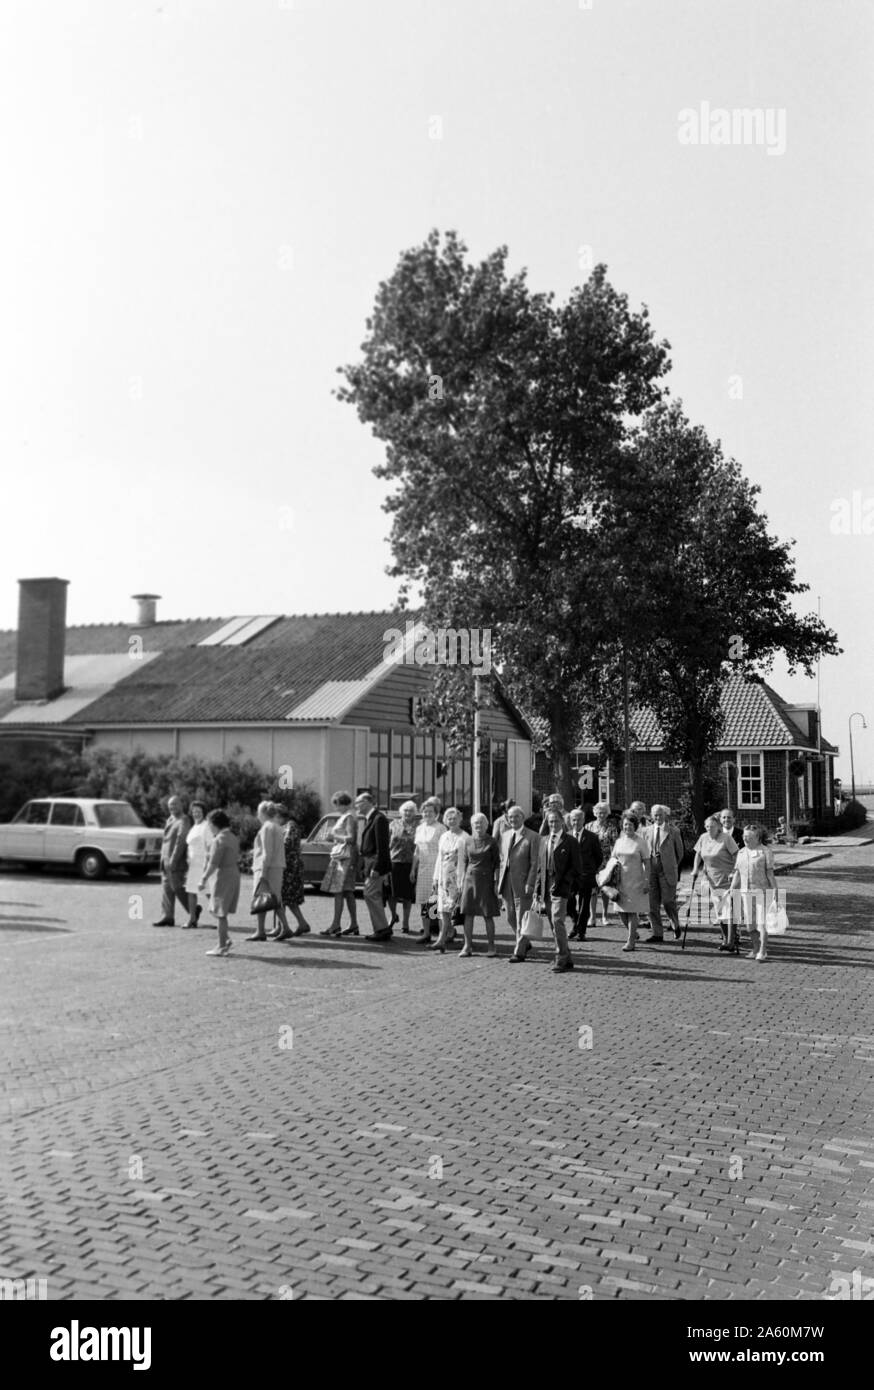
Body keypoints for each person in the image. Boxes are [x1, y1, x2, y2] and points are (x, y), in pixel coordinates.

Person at [510, 808, 583, 973]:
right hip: (545, 886)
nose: (553, 824)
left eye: (556, 821)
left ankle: (561, 958)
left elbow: (577, 868)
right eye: (550, 821)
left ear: (562, 822)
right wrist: (537, 889)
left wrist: (567, 884)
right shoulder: (543, 841)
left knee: (558, 921)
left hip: (561, 887)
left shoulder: (570, 841)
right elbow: (539, 867)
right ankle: (567, 956)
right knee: (553, 923)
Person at [727, 823, 777, 961]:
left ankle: (763, 950)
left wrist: (775, 892)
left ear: (757, 837)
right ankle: (755, 948)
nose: (745, 839)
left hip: (762, 892)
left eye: (749, 837)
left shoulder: (765, 852)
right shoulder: (742, 852)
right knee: (750, 924)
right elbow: (737, 873)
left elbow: (770, 873)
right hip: (746, 893)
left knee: (762, 923)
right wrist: (732, 889)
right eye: (744, 836)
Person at [689, 814, 739, 947]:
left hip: (727, 879)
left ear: (718, 827)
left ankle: (731, 941)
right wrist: (695, 869)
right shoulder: (703, 838)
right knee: (719, 910)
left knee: (730, 910)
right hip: (712, 879)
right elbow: (698, 854)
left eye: (712, 826)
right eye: (707, 826)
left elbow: (736, 854)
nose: (709, 828)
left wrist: (735, 871)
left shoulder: (726, 838)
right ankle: (725, 939)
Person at [457, 812, 501, 957]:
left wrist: (496, 882)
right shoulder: (467, 841)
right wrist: (461, 881)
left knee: (487, 915)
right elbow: (464, 861)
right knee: (468, 914)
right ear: (472, 825)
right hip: (470, 880)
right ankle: (467, 946)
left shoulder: (492, 841)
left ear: (486, 825)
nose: (478, 825)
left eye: (481, 823)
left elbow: (497, 863)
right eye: (476, 823)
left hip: (486, 880)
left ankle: (491, 946)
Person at [199, 810, 241, 957]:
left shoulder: (219, 840)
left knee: (219, 912)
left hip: (223, 876)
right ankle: (225, 940)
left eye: (209, 824)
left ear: (215, 824)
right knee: (217, 910)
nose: (209, 827)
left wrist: (203, 878)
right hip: (233, 873)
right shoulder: (232, 837)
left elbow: (213, 864)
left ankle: (222, 946)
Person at [497, 805, 539, 943]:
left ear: (523, 817)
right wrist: (497, 881)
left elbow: (535, 863)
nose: (513, 819)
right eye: (510, 817)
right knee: (510, 916)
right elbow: (502, 859)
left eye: (516, 816)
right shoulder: (505, 835)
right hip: (506, 881)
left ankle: (519, 949)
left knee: (521, 917)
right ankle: (524, 942)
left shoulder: (532, 836)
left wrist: (530, 882)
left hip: (522, 882)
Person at [319, 791, 359, 937]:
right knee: (348, 891)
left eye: (336, 804)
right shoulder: (350, 816)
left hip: (345, 857)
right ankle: (353, 924)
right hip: (347, 856)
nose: (336, 808)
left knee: (339, 891)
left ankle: (336, 924)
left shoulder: (348, 817)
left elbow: (351, 838)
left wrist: (332, 836)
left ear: (341, 803)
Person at [271, 803, 313, 939]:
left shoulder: (291, 826)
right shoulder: (283, 826)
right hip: (285, 866)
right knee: (285, 898)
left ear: (279, 815)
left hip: (290, 867)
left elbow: (287, 844)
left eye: (274, 816)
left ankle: (292, 925)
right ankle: (298, 924)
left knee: (285, 897)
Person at [247, 801, 286, 943]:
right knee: (274, 898)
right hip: (277, 866)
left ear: (262, 813)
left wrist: (263, 872)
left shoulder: (266, 827)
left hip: (267, 867)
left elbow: (266, 852)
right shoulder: (277, 826)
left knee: (261, 898)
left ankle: (261, 930)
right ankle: (281, 927)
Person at [612, 810, 651, 952]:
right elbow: (613, 859)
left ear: (635, 826)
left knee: (632, 911)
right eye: (625, 825)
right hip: (620, 881)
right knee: (621, 911)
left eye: (630, 825)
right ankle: (633, 932)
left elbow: (647, 862)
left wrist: (647, 880)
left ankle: (630, 941)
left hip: (636, 880)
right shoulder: (619, 841)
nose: (627, 827)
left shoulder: (641, 842)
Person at [645, 805, 685, 942]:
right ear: (651, 816)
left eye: (660, 815)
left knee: (668, 900)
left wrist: (671, 865)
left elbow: (680, 853)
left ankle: (675, 923)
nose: (658, 818)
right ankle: (657, 933)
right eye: (655, 815)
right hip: (651, 870)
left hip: (666, 869)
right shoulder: (646, 831)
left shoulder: (674, 831)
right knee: (651, 903)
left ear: (665, 815)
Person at [356, 791, 392, 941]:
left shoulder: (379, 819)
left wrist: (377, 868)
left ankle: (382, 928)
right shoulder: (371, 818)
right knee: (370, 895)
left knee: (371, 894)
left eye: (358, 803)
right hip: (369, 864)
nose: (356, 806)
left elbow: (382, 847)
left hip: (374, 865)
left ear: (368, 802)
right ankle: (380, 927)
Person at [152, 795, 191, 927]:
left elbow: (181, 842)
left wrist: (173, 859)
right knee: (166, 889)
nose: (172, 807)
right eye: (170, 805)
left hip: (175, 861)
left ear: (181, 805)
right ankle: (167, 917)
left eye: (174, 804)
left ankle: (193, 911)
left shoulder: (184, 820)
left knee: (177, 888)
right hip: (165, 860)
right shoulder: (170, 819)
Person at [431, 807, 466, 953]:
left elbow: (465, 860)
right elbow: (439, 857)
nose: (452, 821)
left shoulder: (464, 837)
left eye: (454, 818)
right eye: (449, 818)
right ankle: (441, 939)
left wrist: (462, 880)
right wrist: (436, 877)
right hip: (444, 879)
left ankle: (467, 940)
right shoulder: (444, 836)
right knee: (443, 910)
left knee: (460, 911)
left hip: (457, 878)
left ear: (459, 819)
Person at [566, 807, 603, 941]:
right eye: (573, 820)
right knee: (568, 902)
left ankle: (581, 932)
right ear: (570, 821)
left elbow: (599, 857)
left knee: (584, 904)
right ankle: (576, 922)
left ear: (583, 820)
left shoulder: (592, 837)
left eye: (579, 820)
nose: (576, 822)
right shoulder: (566, 835)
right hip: (570, 876)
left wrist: (590, 870)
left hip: (586, 876)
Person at [411, 796, 444, 943]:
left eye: (430, 812)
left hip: (436, 868)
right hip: (422, 869)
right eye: (425, 812)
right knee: (424, 901)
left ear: (436, 813)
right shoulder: (419, 828)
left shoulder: (440, 828)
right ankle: (426, 932)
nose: (427, 814)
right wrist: (413, 869)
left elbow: (444, 850)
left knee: (436, 902)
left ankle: (444, 933)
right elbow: (417, 851)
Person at [388, 801, 419, 933]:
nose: (408, 813)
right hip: (394, 861)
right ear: (401, 812)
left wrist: (414, 868)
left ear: (415, 812)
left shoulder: (418, 826)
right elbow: (387, 843)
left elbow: (419, 847)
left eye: (411, 810)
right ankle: (393, 915)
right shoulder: (393, 824)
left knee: (407, 895)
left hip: (409, 863)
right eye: (406, 810)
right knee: (391, 893)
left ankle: (406, 922)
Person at [182, 800, 211, 929]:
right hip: (193, 865)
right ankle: (192, 919)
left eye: (199, 812)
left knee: (209, 892)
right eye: (194, 812)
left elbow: (210, 847)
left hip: (203, 864)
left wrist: (207, 865)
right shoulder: (193, 827)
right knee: (191, 891)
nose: (196, 814)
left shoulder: (207, 827)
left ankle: (221, 917)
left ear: (203, 812)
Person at [589, 801, 618, 928]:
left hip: (605, 861)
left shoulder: (611, 827)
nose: (601, 814)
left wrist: (613, 862)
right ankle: (592, 917)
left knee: (605, 890)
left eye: (603, 812)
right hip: (591, 862)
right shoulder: (589, 826)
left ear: (607, 814)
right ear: (595, 813)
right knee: (592, 891)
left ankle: (605, 916)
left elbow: (615, 845)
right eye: (598, 812)